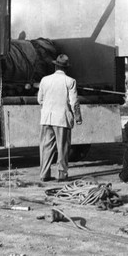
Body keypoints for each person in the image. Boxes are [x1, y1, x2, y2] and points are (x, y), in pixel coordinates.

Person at [38, 54, 82, 182]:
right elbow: (74, 102)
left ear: (55, 66)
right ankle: (61, 174)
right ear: (66, 68)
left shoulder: (44, 80)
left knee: (46, 147)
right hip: (62, 119)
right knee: (62, 147)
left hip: (46, 118)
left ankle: (44, 174)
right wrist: (78, 117)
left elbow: (39, 99)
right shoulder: (70, 81)